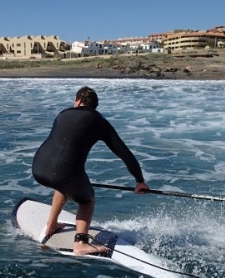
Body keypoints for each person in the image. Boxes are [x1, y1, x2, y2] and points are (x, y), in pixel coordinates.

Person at [32, 86, 150, 256]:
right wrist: (139, 180)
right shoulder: (99, 121)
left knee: (64, 185)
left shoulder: (63, 113)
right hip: (64, 173)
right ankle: (81, 244)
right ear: (94, 106)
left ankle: (51, 226)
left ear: (78, 101)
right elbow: (125, 154)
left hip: (39, 168)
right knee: (87, 200)